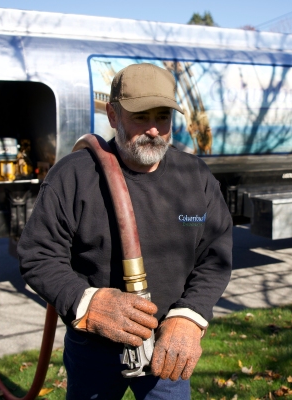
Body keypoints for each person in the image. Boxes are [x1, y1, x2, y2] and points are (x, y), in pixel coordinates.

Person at [18, 63, 233, 400]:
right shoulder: (73, 176)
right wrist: (87, 303)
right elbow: (38, 255)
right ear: (113, 115)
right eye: (140, 116)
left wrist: (190, 317)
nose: (153, 129)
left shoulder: (195, 177)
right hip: (94, 348)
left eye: (162, 117)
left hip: (167, 344)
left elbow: (215, 256)